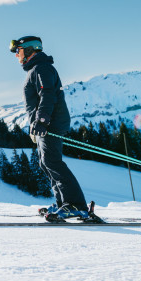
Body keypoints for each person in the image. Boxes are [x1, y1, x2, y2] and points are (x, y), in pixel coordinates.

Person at [10, 36, 88, 220]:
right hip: (44, 125)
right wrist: (34, 125)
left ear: (29, 49)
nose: (16, 56)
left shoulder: (41, 67)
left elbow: (47, 93)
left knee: (52, 162)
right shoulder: (35, 69)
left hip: (50, 124)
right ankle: (63, 203)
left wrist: (42, 121)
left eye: (18, 51)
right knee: (45, 163)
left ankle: (75, 205)